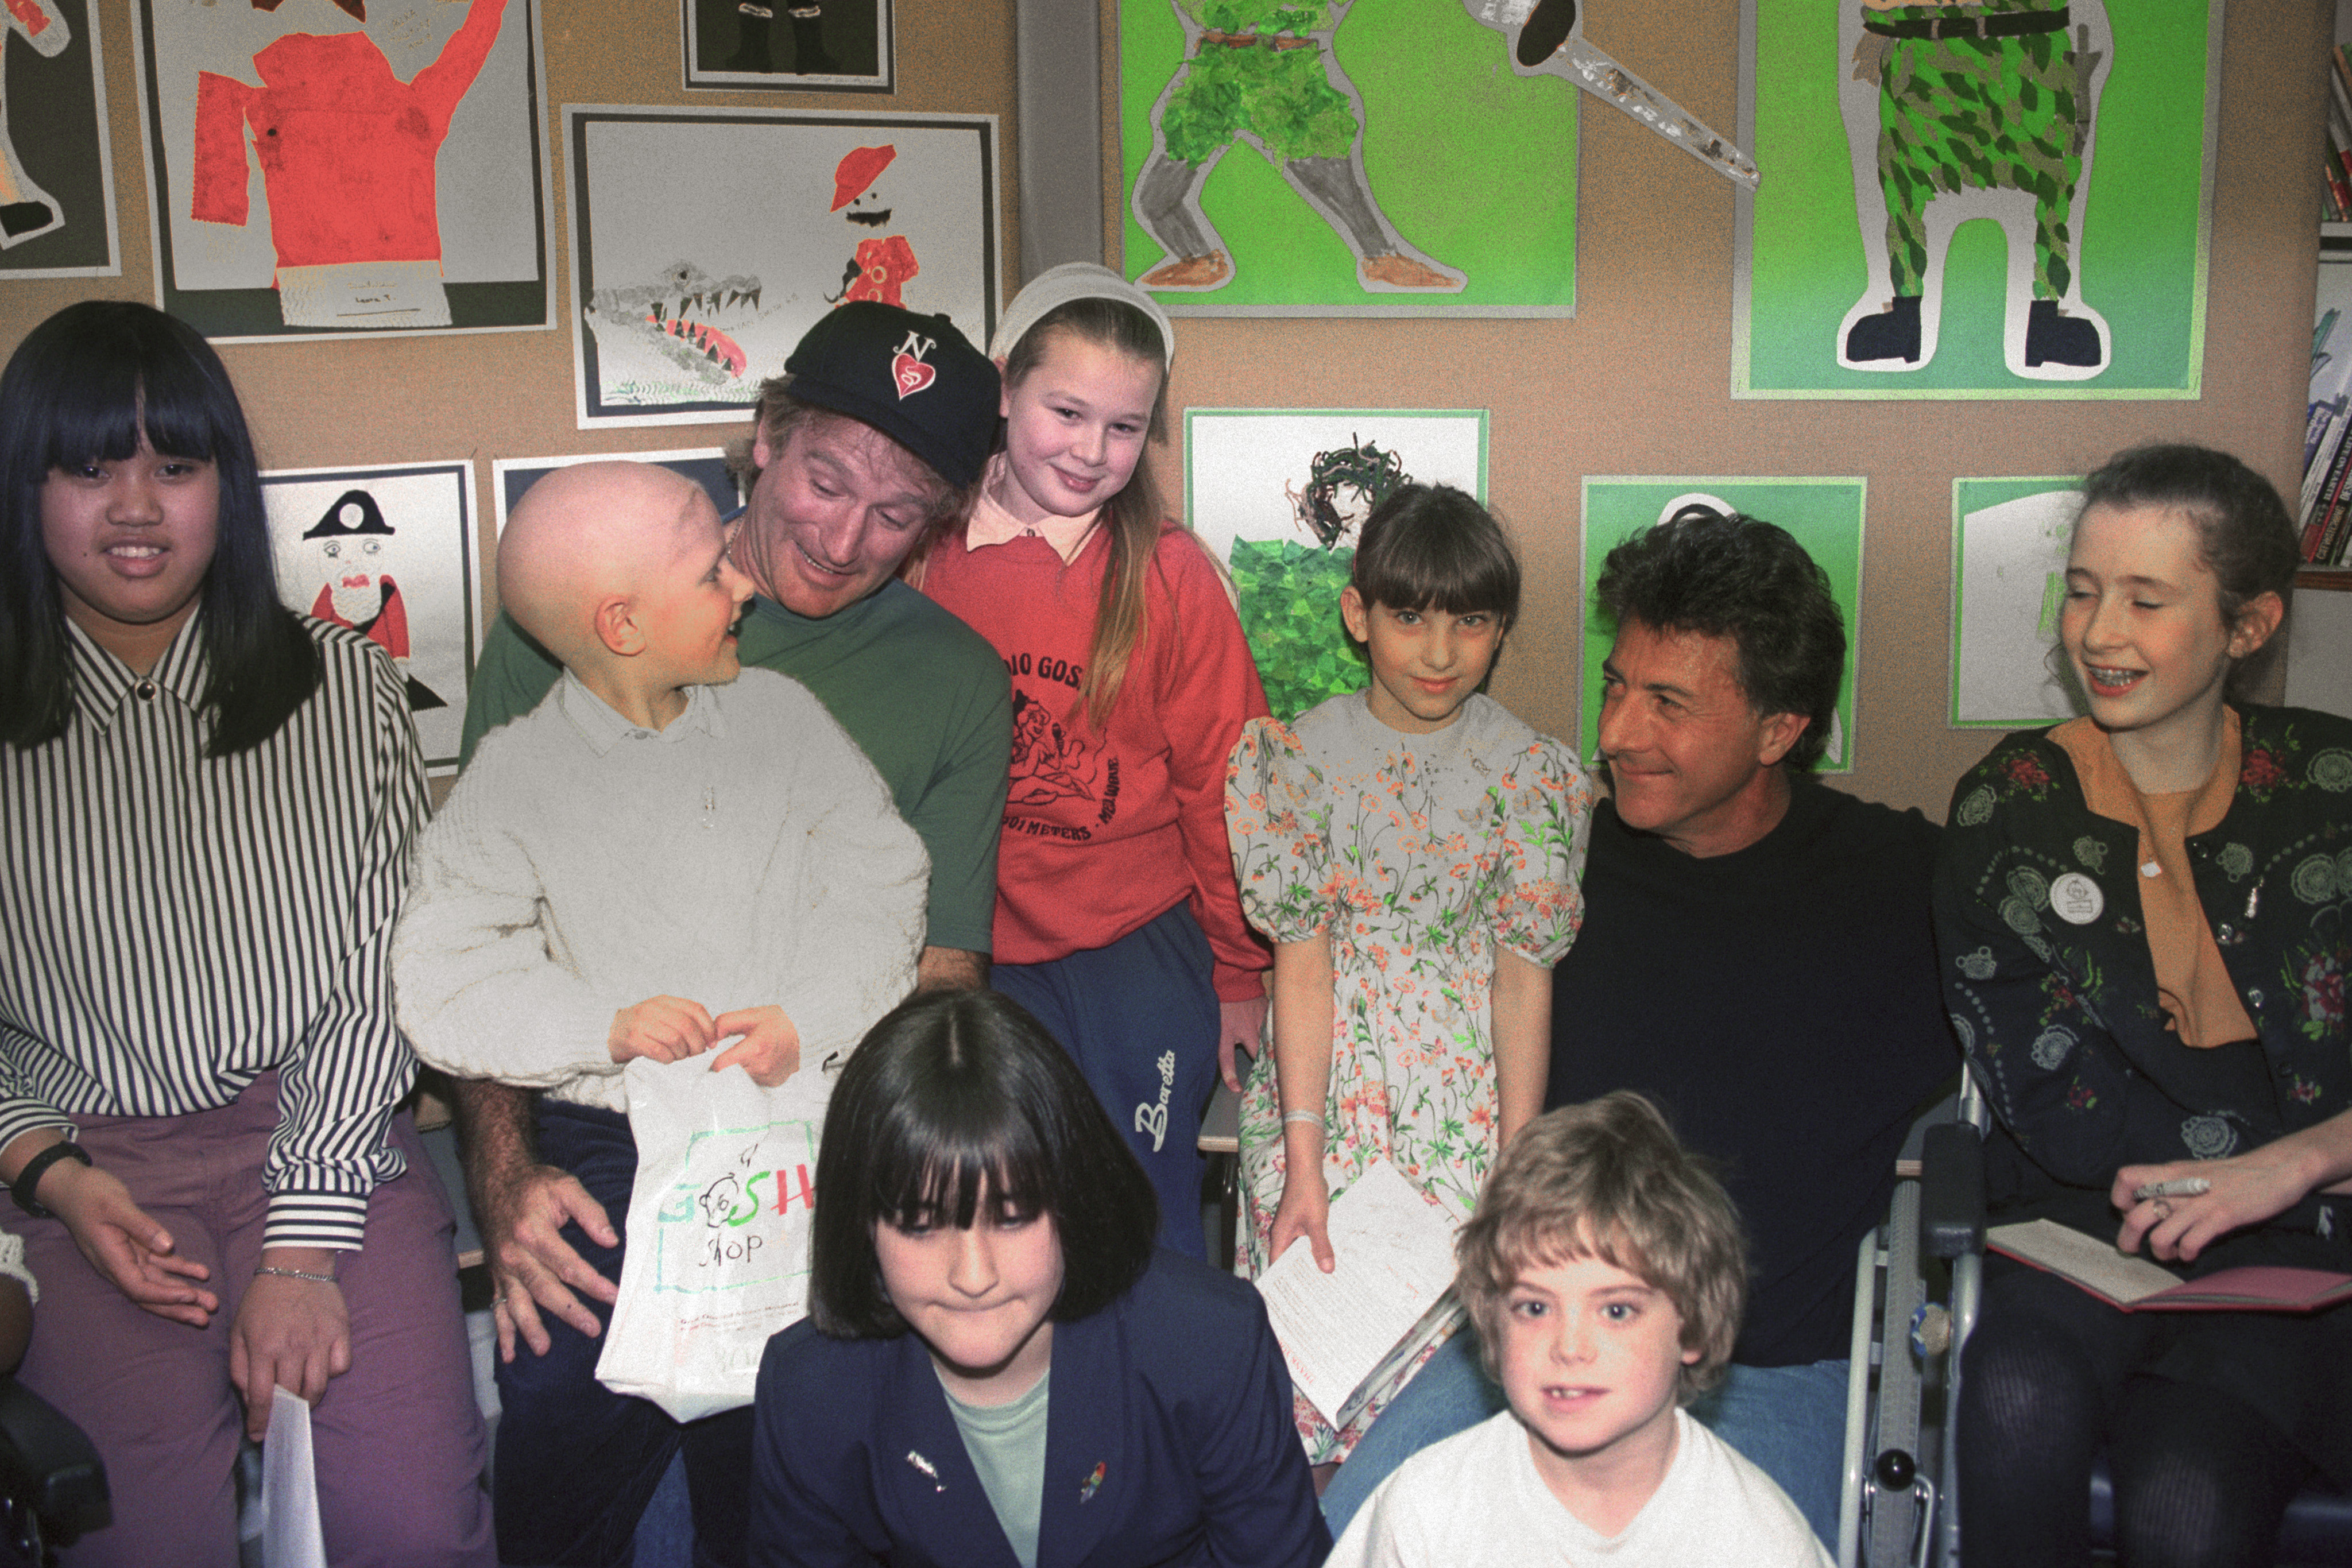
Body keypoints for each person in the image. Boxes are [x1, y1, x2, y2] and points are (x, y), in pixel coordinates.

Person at [1321, 507, 1956, 1546]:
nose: (1616, 732)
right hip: (1531, 1347)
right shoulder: (1546, 857)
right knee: (1348, 1528)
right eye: (1616, 686)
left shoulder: (1903, 890)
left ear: (1780, 728)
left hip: (1764, 1373)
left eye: (1668, 702)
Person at [0, 299, 491, 1566]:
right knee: (140, 1541)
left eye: (176, 466)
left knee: (410, 1531)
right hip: (91, 1179)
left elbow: (383, 970)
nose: (134, 507)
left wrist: (304, 1247)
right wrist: (50, 1173)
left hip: (323, 1142)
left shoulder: (345, 686)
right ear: (26, 484)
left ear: (230, 484)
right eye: (89, 465)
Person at [452, 301, 1010, 1370]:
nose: (844, 542)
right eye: (826, 482)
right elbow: (486, 925)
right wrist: (503, 1174)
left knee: (802, 1486)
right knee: (577, 1485)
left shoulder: (957, 680)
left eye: (897, 514)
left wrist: (905, 1180)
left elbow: (942, 972)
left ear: (940, 518)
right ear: (765, 440)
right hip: (592, 1112)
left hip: (821, 1112)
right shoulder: (583, 596)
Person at [394, 460, 928, 1566]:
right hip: (614, 1136)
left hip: (792, 1112)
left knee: (797, 1403)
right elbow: (441, 975)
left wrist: (808, 1014)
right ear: (623, 623)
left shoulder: (779, 719)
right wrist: (601, 1022)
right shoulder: (518, 774)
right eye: (714, 571)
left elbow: (882, 878)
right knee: (565, 1384)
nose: (746, 587)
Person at [1933, 444, 2352, 1567]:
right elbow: (2055, 1102)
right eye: (2080, 590)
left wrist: (2295, 1165)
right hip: (2079, 1222)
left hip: (2296, 1242)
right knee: (2012, 1397)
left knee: (2185, 1490)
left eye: (2144, 597)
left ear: (2248, 624)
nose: (2098, 632)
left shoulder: (2333, 789)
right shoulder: (2005, 808)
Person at [1225, 482, 1593, 1465]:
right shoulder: (1293, 762)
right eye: (1410, 615)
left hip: (1469, 1110)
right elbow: (1299, 973)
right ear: (1359, 614)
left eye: (1470, 621)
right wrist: (1303, 1165)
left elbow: (1524, 981)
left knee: (1451, 1398)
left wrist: (1518, 1164)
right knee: (1312, 1374)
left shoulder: (1533, 776)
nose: (1439, 652)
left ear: (1502, 628)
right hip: (1326, 1096)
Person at [911, 264, 1271, 1255]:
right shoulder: (921, 551)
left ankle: (1154, 1403)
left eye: (1123, 426)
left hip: (1136, 946)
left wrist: (1240, 969)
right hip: (965, 943)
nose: (1090, 449)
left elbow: (1224, 787)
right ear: (1002, 389)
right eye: (1065, 411)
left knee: (1133, 1212)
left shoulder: (1170, 572)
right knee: (987, 1213)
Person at [748, 988, 1330, 1567]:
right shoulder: (808, 1393)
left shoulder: (1210, 1344)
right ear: (863, 1225)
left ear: (1072, 1198)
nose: (973, 1276)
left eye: (1012, 1217)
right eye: (922, 1225)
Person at [1326, 1092, 1828, 1567]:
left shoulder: (1759, 1542)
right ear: (1493, 1326)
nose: (1568, 1346)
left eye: (1616, 1311)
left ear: (1693, 1326)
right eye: (1535, 1308)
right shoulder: (1424, 1513)